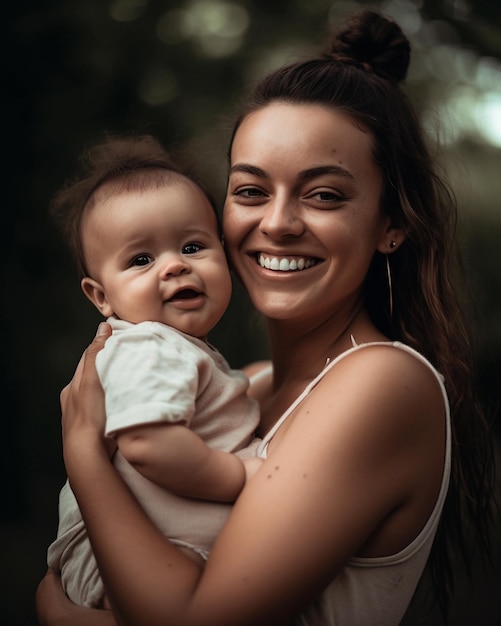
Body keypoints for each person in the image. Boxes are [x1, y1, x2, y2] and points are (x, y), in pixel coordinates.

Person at [37, 9, 495, 625]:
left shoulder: (382, 383)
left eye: (324, 194)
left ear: (392, 225)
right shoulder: (240, 391)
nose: (277, 223)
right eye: (251, 190)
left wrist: (85, 461)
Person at [45, 135, 262, 609]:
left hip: (152, 553)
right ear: (100, 297)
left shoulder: (174, 349)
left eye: (192, 245)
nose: (173, 267)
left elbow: (214, 400)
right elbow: (147, 441)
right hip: (115, 563)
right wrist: (239, 475)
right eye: (141, 259)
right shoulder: (149, 345)